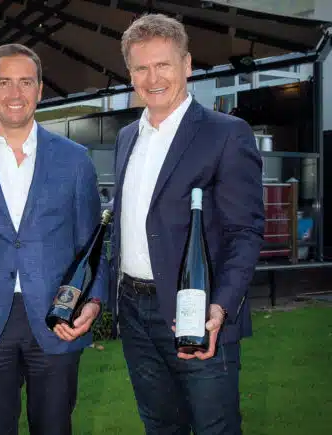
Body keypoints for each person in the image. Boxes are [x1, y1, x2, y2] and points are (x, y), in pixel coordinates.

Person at [0, 43, 108, 435]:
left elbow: (93, 244)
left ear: (40, 89)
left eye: (25, 82)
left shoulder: (75, 159)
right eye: (4, 82)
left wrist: (94, 301)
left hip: (57, 317)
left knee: (54, 427)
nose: (15, 93)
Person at [110, 14, 264, 434]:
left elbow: (245, 232)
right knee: (160, 426)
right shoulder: (127, 137)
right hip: (134, 311)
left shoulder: (226, 134)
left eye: (163, 64)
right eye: (141, 68)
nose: (152, 78)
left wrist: (221, 306)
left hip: (198, 314)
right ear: (131, 74)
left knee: (215, 427)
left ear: (187, 64)